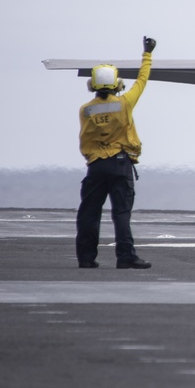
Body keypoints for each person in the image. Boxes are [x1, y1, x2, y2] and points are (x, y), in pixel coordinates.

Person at [75, 36, 156, 269]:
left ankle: (86, 258)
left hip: (95, 167)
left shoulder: (85, 110)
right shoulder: (125, 104)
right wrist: (147, 54)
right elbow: (142, 80)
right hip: (120, 165)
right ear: (117, 84)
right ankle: (125, 257)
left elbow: (87, 138)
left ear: (92, 85)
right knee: (121, 214)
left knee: (89, 213)